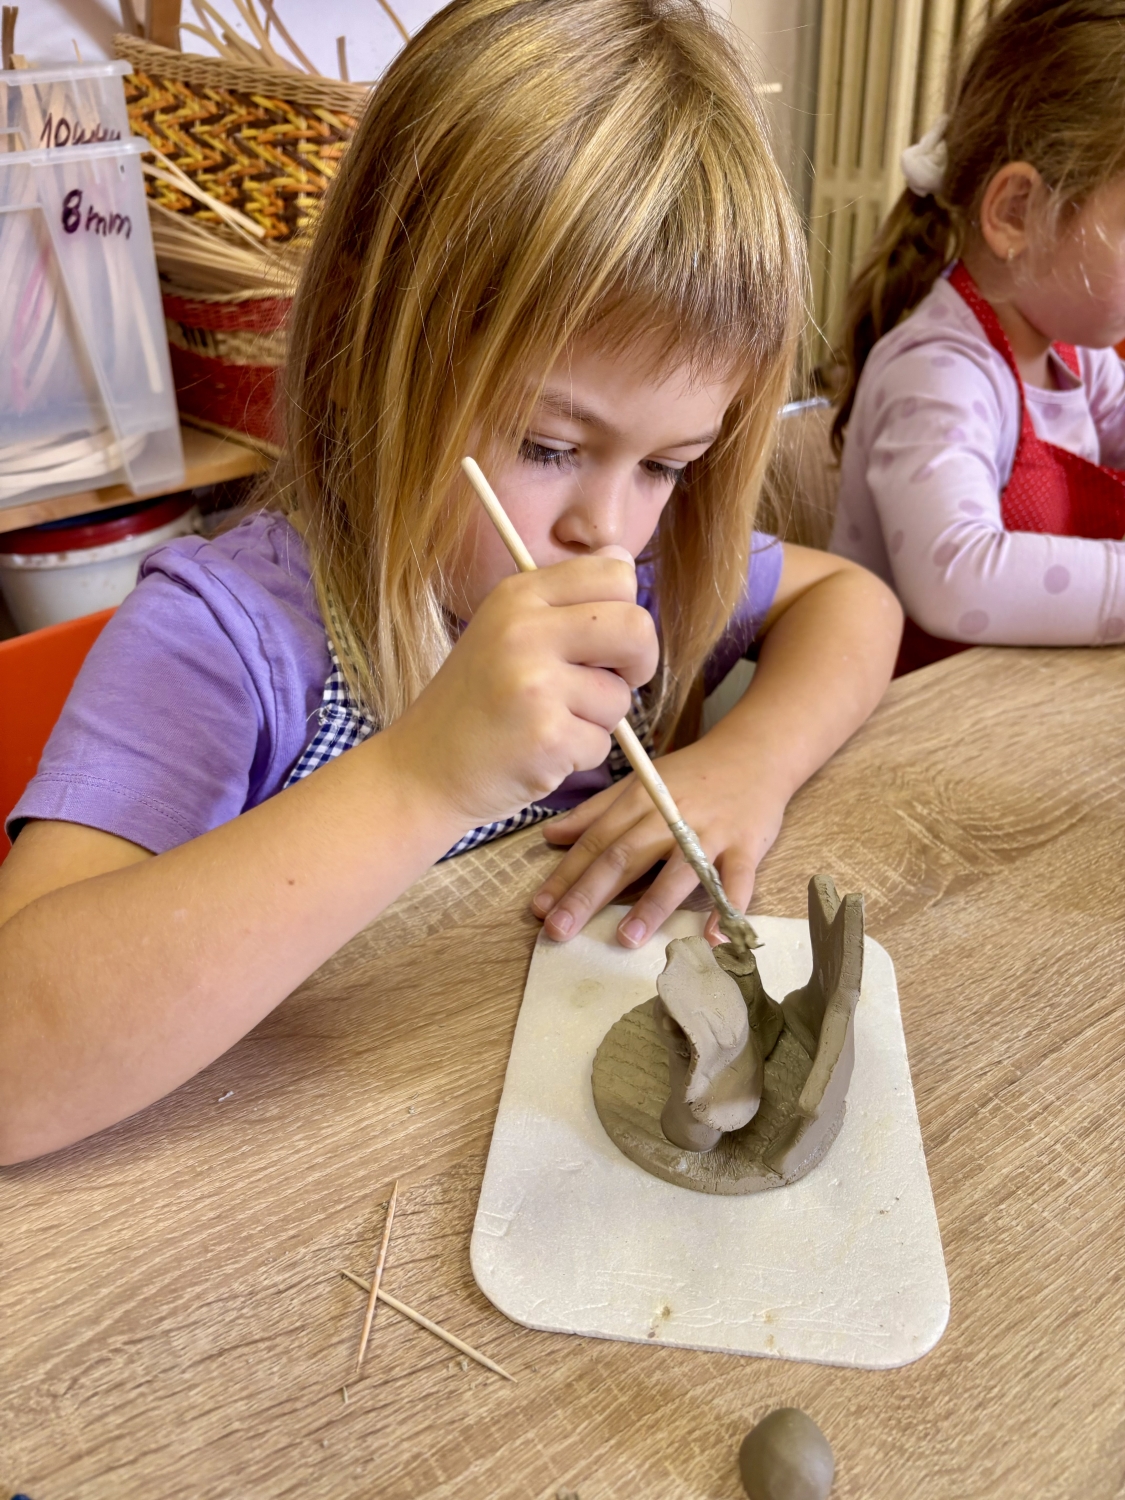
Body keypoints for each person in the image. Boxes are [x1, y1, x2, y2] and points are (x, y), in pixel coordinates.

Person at [0, 0, 901, 1163]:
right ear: (366, 343)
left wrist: (749, 764)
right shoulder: (228, 643)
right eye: (548, 445)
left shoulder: (642, 575)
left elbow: (851, 601)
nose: (606, 528)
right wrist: (423, 776)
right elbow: (16, 1065)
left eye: (667, 465)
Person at [829, 0, 1125, 675]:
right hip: (905, 719)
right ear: (1017, 212)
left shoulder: (1078, 356)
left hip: (1005, 698)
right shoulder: (937, 368)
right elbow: (956, 578)